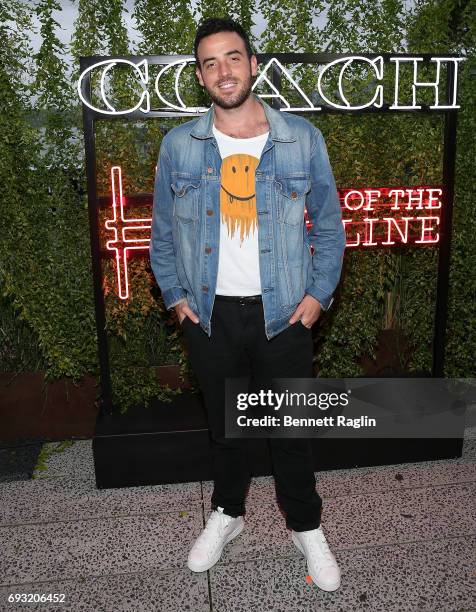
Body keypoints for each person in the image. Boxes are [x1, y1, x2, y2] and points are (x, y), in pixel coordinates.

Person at [149, 17, 346, 592]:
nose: (223, 71)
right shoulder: (178, 145)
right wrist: (177, 299)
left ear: (253, 64)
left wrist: (317, 297)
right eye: (210, 63)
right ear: (200, 75)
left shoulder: (301, 139)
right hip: (209, 316)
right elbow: (162, 235)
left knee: (289, 431)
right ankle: (229, 514)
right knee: (226, 430)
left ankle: (305, 527)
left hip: (283, 312)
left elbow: (330, 229)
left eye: (233, 58)